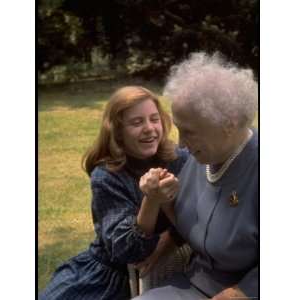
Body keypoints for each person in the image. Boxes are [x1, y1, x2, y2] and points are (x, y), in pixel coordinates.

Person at [39, 86, 189, 300]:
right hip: (107, 278)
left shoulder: (179, 159)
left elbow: (202, 211)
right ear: (117, 131)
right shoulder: (107, 176)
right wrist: (152, 199)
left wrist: (170, 238)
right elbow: (128, 252)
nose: (149, 128)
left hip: (173, 270)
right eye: (137, 122)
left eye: (154, 119)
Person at [134, 52, 258, 300]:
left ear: (228, 124)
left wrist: (245, 291)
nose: (181, 144)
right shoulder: (201, 158)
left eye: (189, 132)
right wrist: (160, 202)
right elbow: (188, 220)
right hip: (191, 284)